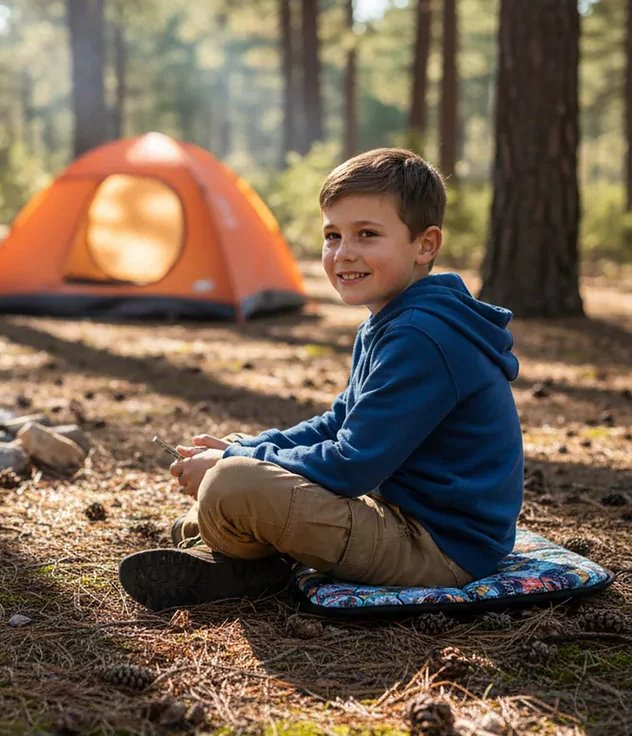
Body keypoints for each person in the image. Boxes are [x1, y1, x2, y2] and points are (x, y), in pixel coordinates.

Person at [119, 148, 524, 611]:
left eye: (367, 234)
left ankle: (236, 554)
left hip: (440, 548)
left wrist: (231, 463)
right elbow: (338, 423)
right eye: (333, 235)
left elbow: (350, 465)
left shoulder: (422, 336)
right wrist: (245, 447)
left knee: (232, 483)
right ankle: (231, 546)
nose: (344, 253)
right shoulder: (392, 321)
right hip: (399, 514)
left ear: (425, 245)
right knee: (235, 462)